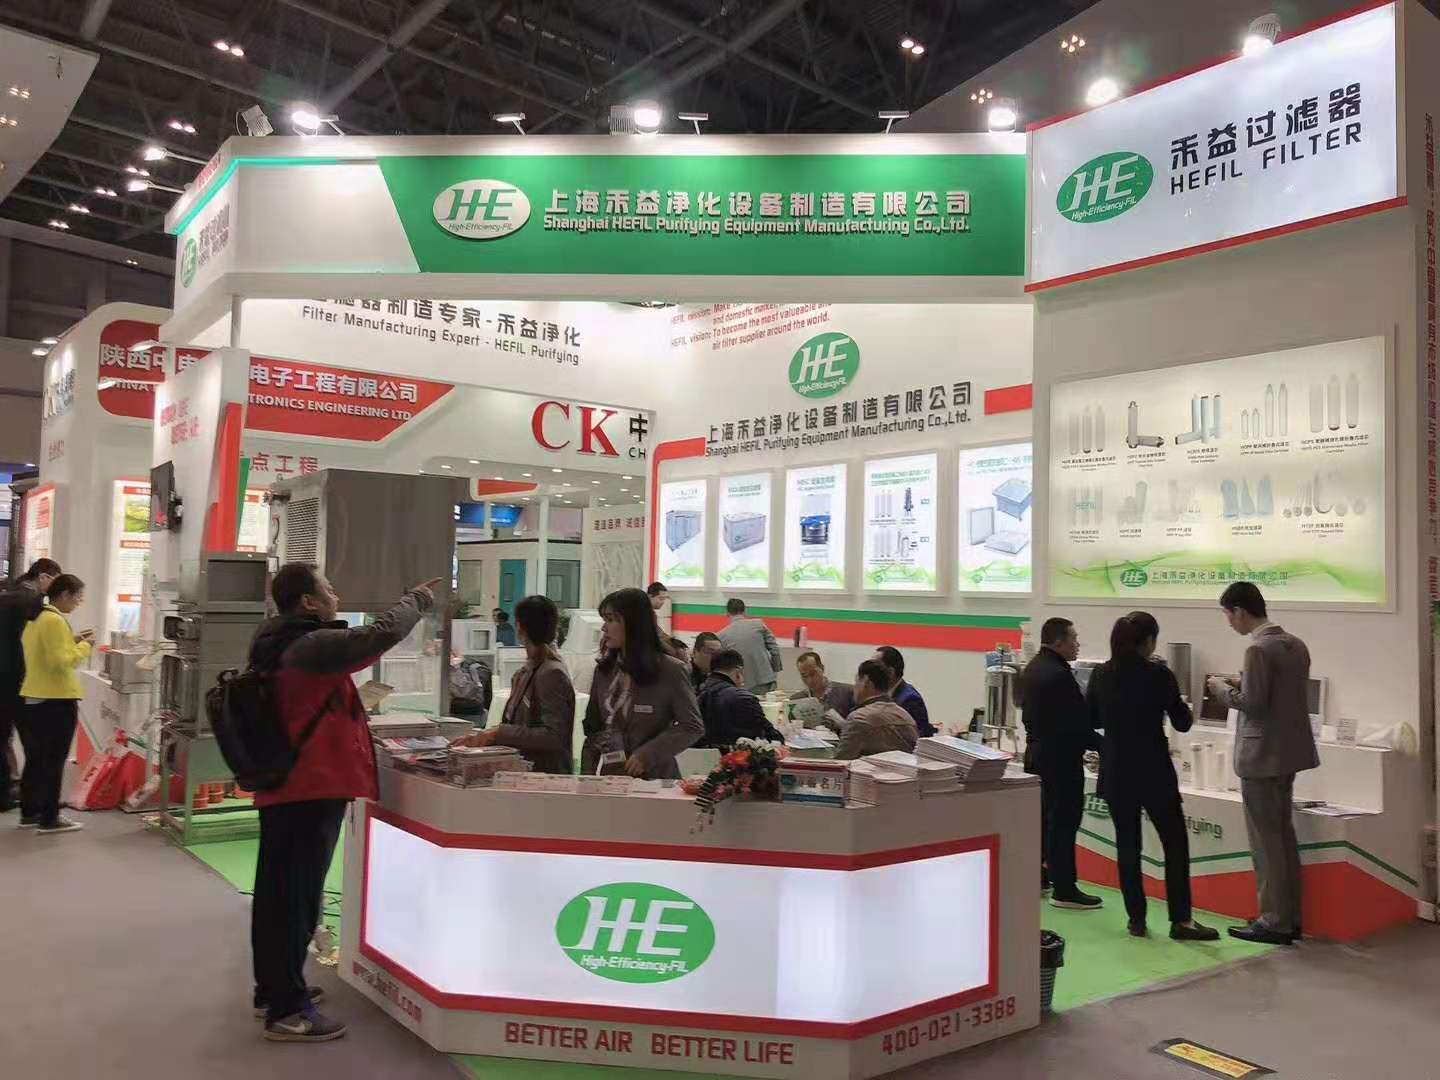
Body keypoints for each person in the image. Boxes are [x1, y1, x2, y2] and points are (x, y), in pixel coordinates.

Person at [248, 564, 439, 1042]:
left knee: (278, 893)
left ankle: (274, 988)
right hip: (310, 785)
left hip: (285, 783)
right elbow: (380, 635)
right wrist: (415, 599)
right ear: (308, 602)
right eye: (328, 589)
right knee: (296, 897)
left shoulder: (272, 638)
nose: (336, 595)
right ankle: (286, 1010)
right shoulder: (311, 645)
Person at [1088, 612, 1219, 941]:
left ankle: (1136, 919)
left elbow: (1092, 718)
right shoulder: (1158, 674)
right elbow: (1182, 722)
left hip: (1117, 770)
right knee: (1174, 844)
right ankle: (1181, 920)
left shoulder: (1101, 674)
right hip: (1153, 770)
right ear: (1148, 641)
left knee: (1127, 845)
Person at [1211, 582, 1318, 946]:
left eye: (1228, 615)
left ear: (1240, 611)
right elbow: (1278, 696)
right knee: (1283, 837)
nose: (1229, 622)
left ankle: (1273, 920)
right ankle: (1290, 916)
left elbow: (1253, 704)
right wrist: (1243, 682)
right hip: (1289, 753)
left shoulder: (1257, 649)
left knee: (1265, 842)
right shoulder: (1295, 645)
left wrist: (1221, 690)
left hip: (1261, 757)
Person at [1018, 617, 1101, 908]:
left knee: (1043, 821)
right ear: (1058, 641)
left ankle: (1039, 877)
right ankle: (1065, 888)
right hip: (1061, 759)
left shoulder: (1033, 669)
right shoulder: (1058, 675)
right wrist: (1108, 746)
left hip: (1037, 755)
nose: (1077, 644)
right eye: (1073, 638)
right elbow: (1076, 723)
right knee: (1064, 822)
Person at [582, 588, 703, 779]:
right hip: (612, 779)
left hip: (657, 780)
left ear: (633, 623)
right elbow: (594, 728)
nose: (604, 628)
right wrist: (586, 776)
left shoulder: (671, 670)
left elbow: (692, 726)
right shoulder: (604, 671)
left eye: (611, 620)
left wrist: (647, 754)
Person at [453, 595, 575, 773]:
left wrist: (498, 733)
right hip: (522, 773)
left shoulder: (551, 673)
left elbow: (553, 736)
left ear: (520, 628)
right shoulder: (527, 671)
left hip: (543, 777)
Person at [15, 573, 92, 834]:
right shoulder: (55, 620)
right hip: (56, 698)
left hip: (36, 695)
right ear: (66, 594)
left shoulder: (38, 617)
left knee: (37, 759)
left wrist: (73, 641)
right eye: (78, 597)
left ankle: (31, 812)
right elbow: (61, 662)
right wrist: (85, 647)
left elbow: (45, 653)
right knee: (54, 760)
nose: (78, 603)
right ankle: (50, 818)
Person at [0, 558, 60, 813]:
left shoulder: (6, 591)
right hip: (22, 682)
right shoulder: (33, 602)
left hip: (2, 679)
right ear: (44, 577)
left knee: (3, 738)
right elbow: (35, 644)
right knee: (36, 744)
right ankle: (33, 802)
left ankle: (4, 795)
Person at [697, 649, 784, 750]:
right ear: (738, 671)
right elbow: (773, 738)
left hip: (696, 757)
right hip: (737, 757)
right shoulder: (744, 699)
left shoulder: (695, 694)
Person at [833, 659, 918, 760]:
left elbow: (840, 763)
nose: (854, 688)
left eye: (856, 682)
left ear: (865, 682)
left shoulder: (859, 718)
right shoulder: (907, 718)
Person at [718, 598, 782, 694]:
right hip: (765, 679)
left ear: (727, 613)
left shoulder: (722, 635)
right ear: (745, 610)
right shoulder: (759, 624)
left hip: (741, 685)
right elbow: (774, 649)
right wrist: (775, 668)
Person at [872, 646, 934, 737]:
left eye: (875, 668)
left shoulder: (910, 700)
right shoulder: (880, 693)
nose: (870, 673)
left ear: (891, 672)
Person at [791, 650, 856, 721]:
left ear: (822, 668)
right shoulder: (796, 700)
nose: (809, 680)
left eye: (813, 673)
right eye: (804, 676)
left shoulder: (847, 692)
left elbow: (857, 725)